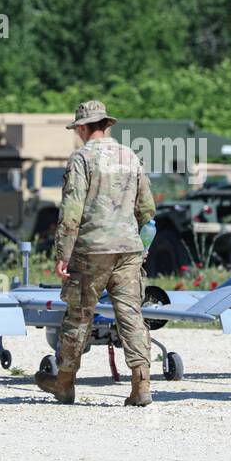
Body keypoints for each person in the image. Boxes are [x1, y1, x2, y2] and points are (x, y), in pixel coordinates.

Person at [35, 100, 156, 406]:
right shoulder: (130, 156)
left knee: (78, 316)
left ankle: (64, 383)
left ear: (85, 127)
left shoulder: (82, 159)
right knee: (131, 316)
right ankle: (141, 384)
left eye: (78, 129)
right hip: (128, 249)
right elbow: (148, 208)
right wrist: (135, 238)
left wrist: (63, 252)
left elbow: (71, 211)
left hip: (92, 251)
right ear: (107, 125)